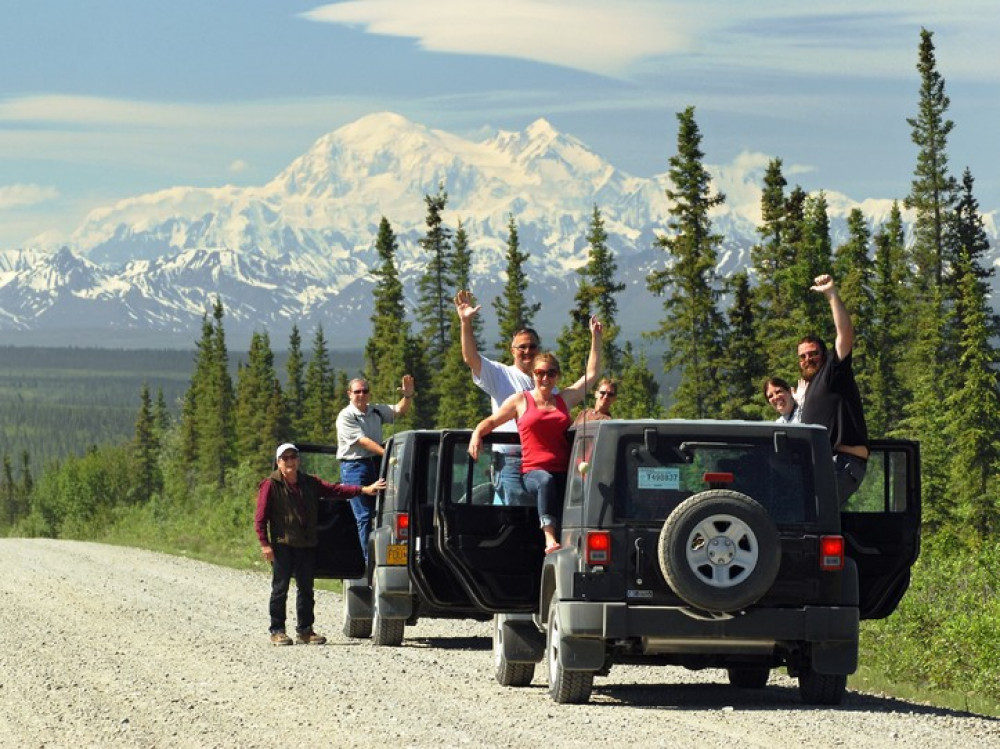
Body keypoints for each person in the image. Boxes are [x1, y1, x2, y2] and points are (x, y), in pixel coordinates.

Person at [468, 317, 603, 553]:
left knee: (572, 521)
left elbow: (591, 374)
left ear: (556, 376)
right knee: (526, 512)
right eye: (540, 373)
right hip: (525, 467)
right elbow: (492, 420)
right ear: (534, 375)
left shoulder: (563, 399)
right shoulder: (519, 397)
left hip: (565, 468)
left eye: (550, 373)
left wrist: (596, 337)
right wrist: (477, 433)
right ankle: (540, 546)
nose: (544, 377)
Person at [255, 442, 386, 646]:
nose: (290, 461)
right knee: (280, 589)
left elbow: (336, 490)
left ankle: (305, 631)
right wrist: (265, 544)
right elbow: (260, 518)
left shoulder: (309, 482)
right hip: (283, 545)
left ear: (298, 460)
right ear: (278, 462)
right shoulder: (270, 485)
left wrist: (363, 489)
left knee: (306, 589)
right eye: (285, 458)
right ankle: (277, 631)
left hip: (306, 544)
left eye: (293, 457)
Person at [454, 289, 540, 506]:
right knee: (515, 514)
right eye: (522, 347)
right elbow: (470, 357)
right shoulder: (501, 374)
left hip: (540, 461)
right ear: (512, 351)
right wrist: (465, 322)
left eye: (532, 346)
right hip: (509, 460)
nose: (527, 351)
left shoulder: (546, 382)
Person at [796, 274, 869, 504]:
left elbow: (845, 334)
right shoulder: (811, 387)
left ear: (824, 355)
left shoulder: (834, 372)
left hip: (842, 464)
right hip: (824, 465)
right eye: (803, 357)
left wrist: (831, 295)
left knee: (814, 513)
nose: (808, 359)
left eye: (813, 353)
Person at [336, 374, 414, 560]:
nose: (361, 395)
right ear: (349, 394)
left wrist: (408, 395)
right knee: (364, 516)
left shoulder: (376, 411)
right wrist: (388, 455)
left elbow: (400, 410)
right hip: (353, 468)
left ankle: (388, 557)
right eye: (357, 392)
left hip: (375, 465)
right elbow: (363, 442)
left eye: (365, 391)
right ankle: (368, 563)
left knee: (384, 514)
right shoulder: (346, 416)